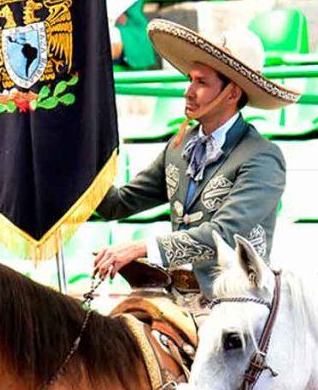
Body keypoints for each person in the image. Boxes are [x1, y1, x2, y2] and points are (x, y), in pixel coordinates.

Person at [93, 20, 301, 297]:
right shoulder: (179, 147)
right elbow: (117, 205)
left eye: (201, 82)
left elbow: (225, 234)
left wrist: (142, 247)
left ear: (232, 93)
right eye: (190, 80)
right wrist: (73, 162)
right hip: (178, 296)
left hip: (237, 304)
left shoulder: (262, 157)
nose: (188, 91)